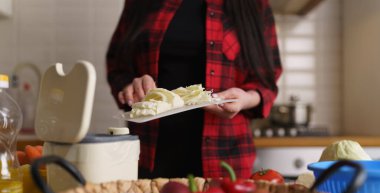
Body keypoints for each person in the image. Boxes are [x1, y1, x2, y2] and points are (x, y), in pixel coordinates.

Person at [106, 0, 282, 179]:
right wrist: (130, 87)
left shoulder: (255, 4)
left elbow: (266, 81)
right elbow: (117, 66)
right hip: (148, 155)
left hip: (225, 158)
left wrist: (245, 99)